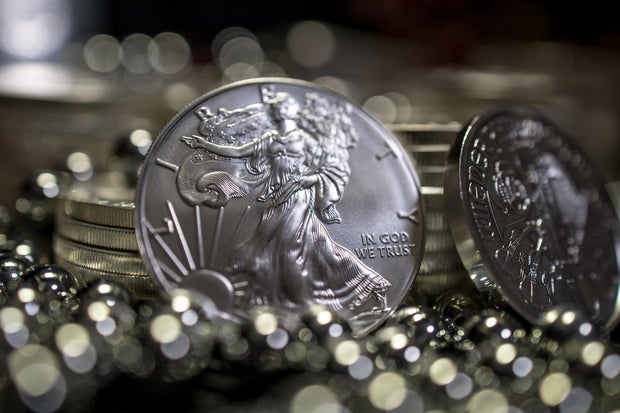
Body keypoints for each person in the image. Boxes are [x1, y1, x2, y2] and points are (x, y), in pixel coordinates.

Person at [180, 92, 391, 314]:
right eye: (277, 107)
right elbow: (238, 152)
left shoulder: (306, 140)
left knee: (289, 249)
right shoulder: (270, 138)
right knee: (309, 249)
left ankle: (300, 303)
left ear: (292, 110)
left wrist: (305, 179)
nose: (280, 109)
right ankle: (284, 299)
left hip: (298, 196)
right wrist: (203, 144)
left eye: (284, 105)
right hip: (276, 198)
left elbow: (332, 168)